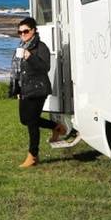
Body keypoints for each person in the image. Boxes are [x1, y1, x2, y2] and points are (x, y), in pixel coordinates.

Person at [14, 17, 69, 168]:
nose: (22, 34)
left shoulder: (41, 47)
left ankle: (33, 156)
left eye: (25, 31)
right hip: (25, 89)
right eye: (20, 32)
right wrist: (17, 88)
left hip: (39, 89)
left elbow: (45, 67)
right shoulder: (21, 46)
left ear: (33, 30)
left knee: (31, 122)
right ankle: (56, 127)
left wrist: (30, 57)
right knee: (25, 120)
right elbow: (19, 71)